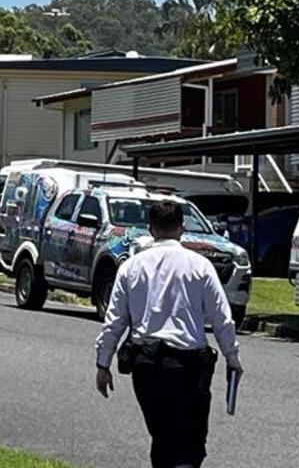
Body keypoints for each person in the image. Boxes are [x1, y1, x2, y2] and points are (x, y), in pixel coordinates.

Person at [94, 199, 242, 468]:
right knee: (190, 441)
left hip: (146, 366)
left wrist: (103, 363)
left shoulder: (131, 267)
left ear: (150, 229)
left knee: (162, 437)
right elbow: (222, 318)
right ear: (181, 229)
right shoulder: (200, 266)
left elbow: (114, 321)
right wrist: (232, 357)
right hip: (188, 367)